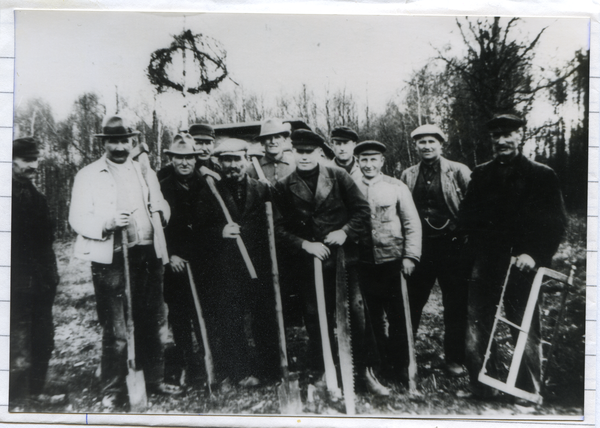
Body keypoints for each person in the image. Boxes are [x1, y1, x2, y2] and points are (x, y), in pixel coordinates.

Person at [69, 115, 180, 410]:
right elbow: (76, 218)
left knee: (153, 320)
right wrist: (106, 223)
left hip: (148, 254)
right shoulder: (89, 175)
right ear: (104, 143)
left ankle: (154, 380)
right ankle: (112, 388)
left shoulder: (145, 171)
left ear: (132, 142)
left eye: (124, 140)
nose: (119, 146)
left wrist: (163, 211)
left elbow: (161, 206)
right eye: (112, 141)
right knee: (117, 328)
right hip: (112, 258)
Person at [459, 114, 567, 399]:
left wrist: (534, 254)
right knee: (477, 325)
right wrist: (474, 250)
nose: (501, 141)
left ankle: (526, 389)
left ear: (521, 136)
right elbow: (467, 217)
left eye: (508, 134)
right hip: (487, 263)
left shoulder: (542, 175)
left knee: (525, 326)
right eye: (495, 135)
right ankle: (483, 386)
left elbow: (556, 224)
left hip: (524, 265)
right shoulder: (481, 174)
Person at [274, 129, 389, 396]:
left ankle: (363, 372)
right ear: (292, 153)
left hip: (344, 262)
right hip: (309, 263)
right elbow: (277, 228)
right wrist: (304, 244)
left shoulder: (338, 176)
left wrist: (344, 232)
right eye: (298, 152)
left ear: (319, 153)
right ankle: (326, 371)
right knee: (316, 320)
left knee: (356, 318)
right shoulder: (283, 186)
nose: (303, 157)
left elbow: (362, 211)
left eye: (309, 152)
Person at [191, 138, 280, 388]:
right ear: (219, 163)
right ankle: (240, 372)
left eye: (237, 159)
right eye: (227, 160)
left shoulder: (262, 189)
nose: (232, 165)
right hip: (226, 269)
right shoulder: (210, 191)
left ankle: (271, 371)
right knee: (231, 321)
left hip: (260, 266)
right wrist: (220, 231)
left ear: (246, 160)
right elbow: (197, 231)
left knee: (264, 319)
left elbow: (275, 227)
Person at [400, 124, 472, 376]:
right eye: (422, 142)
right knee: (412, 301)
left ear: (441, 144)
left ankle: (454, 359)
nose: (427, 146)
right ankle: (406, 357)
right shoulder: (407, 175)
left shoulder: (458, 171)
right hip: (421, 248)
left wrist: (465, 238)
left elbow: (473, 207)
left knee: (455, 304)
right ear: (415, 146)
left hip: (453, 247)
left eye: (432, 141)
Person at [353, 140, 422, 387]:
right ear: (357, 161)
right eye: (364, 159)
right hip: (363, 263)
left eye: (373, 159)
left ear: (382, 162)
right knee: (371, 320)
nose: (369, 164)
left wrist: (410, 256)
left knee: (399, 316)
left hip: (393, 262)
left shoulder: (396, 187)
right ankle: (377, 364)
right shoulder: (350, 186)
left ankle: (402, 365)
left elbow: (412, 223)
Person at [10, 137, 61, 409]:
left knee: (43, 338)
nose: (33, 165)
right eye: (27, 160)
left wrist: (51, 276)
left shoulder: (36, 195)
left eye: (35, 159)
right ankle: (14, 398)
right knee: (17, 342)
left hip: (41, 284)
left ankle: (35, 390)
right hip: (15, 286)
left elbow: (46, 241)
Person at [159, 133, 205, 388]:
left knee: (204, 317)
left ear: (195, 160)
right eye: (179, 158)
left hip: (202, 263)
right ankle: (185, 365)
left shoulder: (207, 184)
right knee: (179, 316)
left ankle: (208, 365)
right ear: (172, 159)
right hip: (175, 265)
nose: (184, 163)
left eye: (189, 157)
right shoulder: (161, 186)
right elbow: (157, 227)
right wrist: (169, 256)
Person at [248, 118, 296, 185]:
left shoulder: (294, 165)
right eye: (268, 138)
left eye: (277, 137)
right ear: (262, 142)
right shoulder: (253, 168)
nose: (273, 141)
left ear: (284, 139)